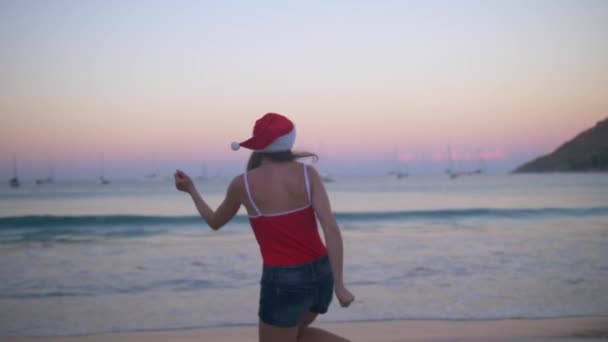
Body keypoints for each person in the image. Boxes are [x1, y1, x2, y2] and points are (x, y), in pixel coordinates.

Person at [175, 112, 355, 342]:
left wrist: (191, 190)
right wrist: (339, 286)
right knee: (296, 336)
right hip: (322, 276)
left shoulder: (244, 184)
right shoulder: (308, 174)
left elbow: (214, 222)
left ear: (258, 144)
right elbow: (330, 227)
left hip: (285, 283)